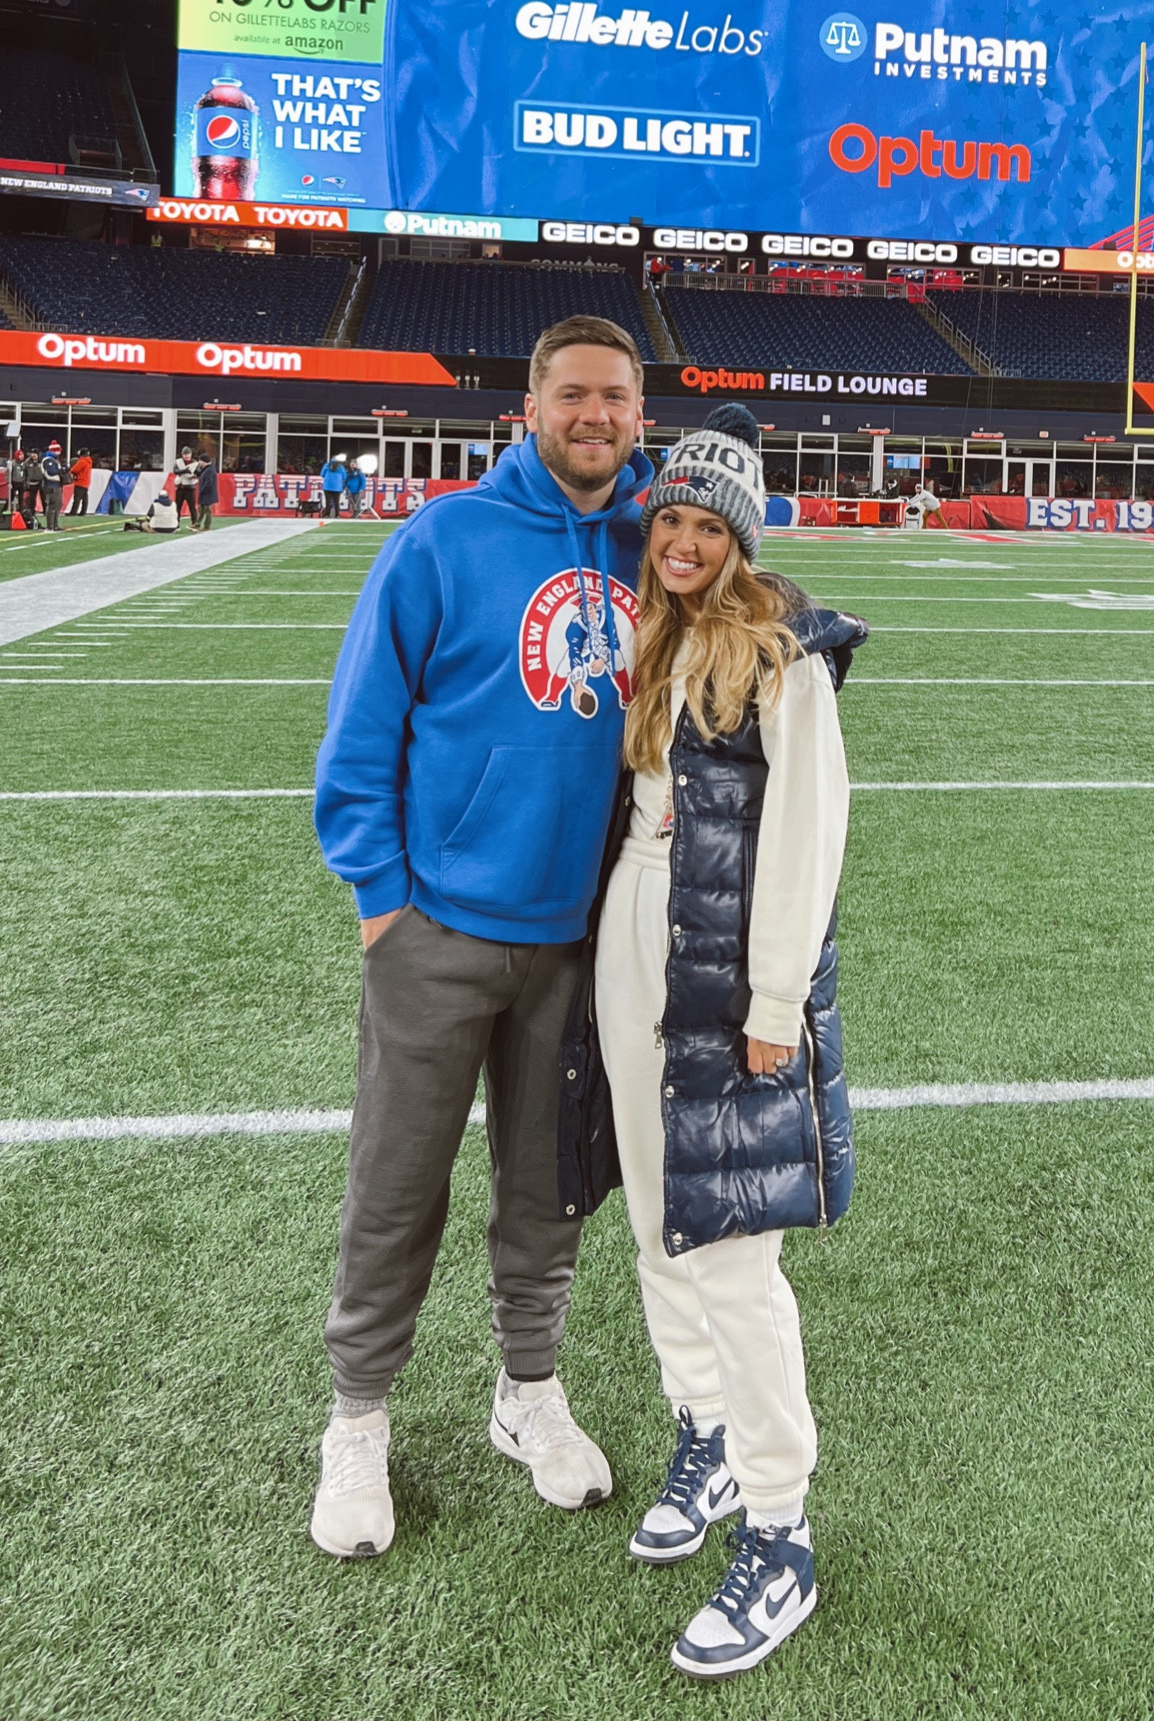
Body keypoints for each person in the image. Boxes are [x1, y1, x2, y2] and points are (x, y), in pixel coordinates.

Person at [309, 316, 652, 1561]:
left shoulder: (656, 543)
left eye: (615, 397)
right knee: (397, 1181)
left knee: (547, 1187)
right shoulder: (443, 537)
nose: (594, 415)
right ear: (531, 408)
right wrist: (382, 896)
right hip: (439, 926)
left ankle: (529, 1388)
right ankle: (358, 1413)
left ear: (641, 415)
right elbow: (361, 730)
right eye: (572, 394)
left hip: (579, 938)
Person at [592, 404, 864, 1680]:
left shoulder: (784, 655)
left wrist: (771, 1004)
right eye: (673, 520)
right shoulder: (659, 634)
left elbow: (808, 839)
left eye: (709, 525)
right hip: (629, 943)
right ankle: (700, 1429)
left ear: (743, 539)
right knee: (658, 1221)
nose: (685, 542)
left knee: (736, 1254)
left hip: (723, 971)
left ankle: (780, 1528)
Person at [39, 442, 67, 532]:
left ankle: (55, 525)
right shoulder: (48, 460)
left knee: (57, 505)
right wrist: (61, 470)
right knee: (52, 505)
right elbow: (51, 472)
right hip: (50, 484)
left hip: (56, 484)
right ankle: (49, 526)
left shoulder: (54, 460)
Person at [171, 449, 199, 523]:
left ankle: (194, 522)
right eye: (185, 454)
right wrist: (184, 471)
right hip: (180, 487)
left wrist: (194, 476)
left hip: (190, 487)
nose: (186, 456)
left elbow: (199, 472)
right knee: (177, 506)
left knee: (192, 507)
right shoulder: (178, 462)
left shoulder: (195, 463)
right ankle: (176, 522)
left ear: (191, 454)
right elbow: (175, 471)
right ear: (182, 455)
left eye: (188, 454)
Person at [195, 454, 219, 533]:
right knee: (201, 509)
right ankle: (197, 524)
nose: (199, 463)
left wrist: (202, 490)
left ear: (203, 461)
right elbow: (198, 474)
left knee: (207, 510)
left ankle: (207, 526)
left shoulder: (210, 470)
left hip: (208, 494)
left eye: (200, 461)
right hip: (205, 493)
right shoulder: (206, 469)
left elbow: (209, 483)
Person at [319, 455, 347, 520]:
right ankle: (337, 515)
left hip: (327, 486)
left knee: (328, 502)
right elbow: (344, 476)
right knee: (336, 502)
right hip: (337, 487)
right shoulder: (341, 467)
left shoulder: (326, 465)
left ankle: (327, 514)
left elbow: (322, 474)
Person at [68, 448, 92, 518]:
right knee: (85, 498)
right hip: (86, 481)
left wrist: (71, 469)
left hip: (80, 481)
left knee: (77, 498)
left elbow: (75, 470)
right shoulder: (89, 461)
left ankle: (73, 512)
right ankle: (83, 512)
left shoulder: (82, 461)